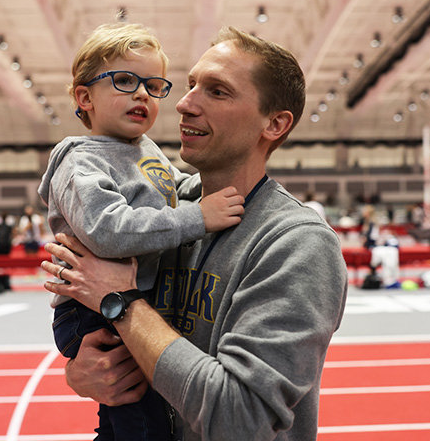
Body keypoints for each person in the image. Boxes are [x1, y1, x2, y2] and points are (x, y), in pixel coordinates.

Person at [42, 26, 348, 440]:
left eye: (217, 91)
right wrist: (84, 373)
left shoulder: (297, 244)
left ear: (274, 124)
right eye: (190, 87)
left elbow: (239, 420)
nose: (184, 104)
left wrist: (122, 303)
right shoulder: (166, 208)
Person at [37, 22, 245, 440]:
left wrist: (213, 188)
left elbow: (175, 189)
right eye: (125, 80)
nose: (142, 94)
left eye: (153, 85)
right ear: (84, 97)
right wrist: (198, 218)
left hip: (129, 300)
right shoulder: (82, 163)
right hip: (92, 312)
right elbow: (108, 232)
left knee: (128, 420)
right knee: (144, 422)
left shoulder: (143, 149)